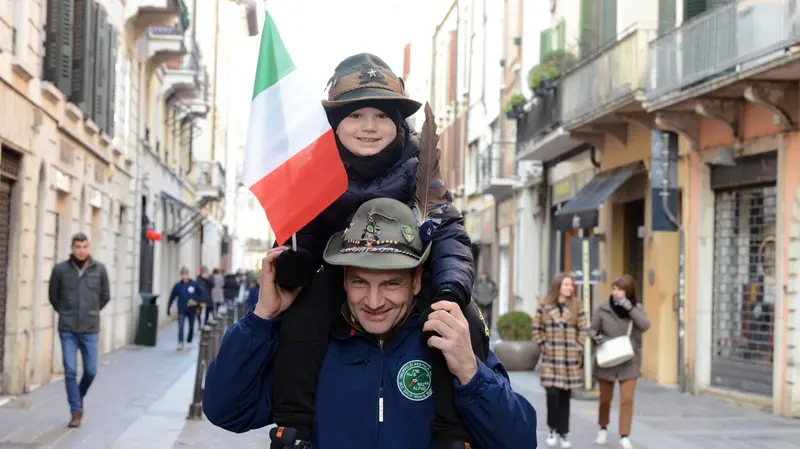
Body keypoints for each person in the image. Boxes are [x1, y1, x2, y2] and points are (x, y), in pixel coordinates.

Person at [267, 53, 487, 448]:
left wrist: (452, 288)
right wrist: (293, 265)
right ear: (335, 123)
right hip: (343, 272)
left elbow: (449, 230)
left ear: (399, 123)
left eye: (382, 116)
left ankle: (455, 432)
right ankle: (293, 424)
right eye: (354, 115)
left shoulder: (421, 166)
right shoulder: (312, 169)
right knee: (303, 315)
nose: (368, 127)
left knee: (463, 318)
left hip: (405, 273)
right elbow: (303, 232)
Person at [203, 198, 537, 448]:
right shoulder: (311, 345)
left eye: (391, 283)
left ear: (416, 281)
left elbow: (519, 440)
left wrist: (471, 373)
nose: (374, 302)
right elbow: (226, 410)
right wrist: (261, 319)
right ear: (344, 280)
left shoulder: (448, 344)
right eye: (361, 282)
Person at [48, 232, 111, 428]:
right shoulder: (60, 270)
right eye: (78, 247)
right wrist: (66, 313)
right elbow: (53, 297)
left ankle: (78, 395)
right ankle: (76, 411)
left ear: (89, 247)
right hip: (67, 329)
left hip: (90, 329)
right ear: (72, 248)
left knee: (91, 371)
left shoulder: (99, 270)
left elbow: (105, 296)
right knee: (70, 370)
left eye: (84, 247)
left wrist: (91, 312)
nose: (81, 251)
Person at [588, 275, 650, 449]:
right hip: (607, 357)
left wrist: (630, 309)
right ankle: (603, 428)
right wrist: (597, 337)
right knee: (605, 399)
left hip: (629, 359)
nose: (615, 292)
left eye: (619, 289)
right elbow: (592, 329)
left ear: (628, 292)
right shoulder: (603, 308)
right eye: (614, 288)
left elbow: (645, 325)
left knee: (627, 399)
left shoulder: (636, 308)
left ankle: (624, 435)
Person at [533, 273, 587, 449]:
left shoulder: (577, 306)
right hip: (551, 358)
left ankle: (563, 433)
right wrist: (544, 347)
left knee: (565, 397)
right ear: (558, 286)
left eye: (571, 285)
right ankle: (552, 428)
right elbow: (537, 329)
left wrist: (578, 347)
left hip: (570, 359)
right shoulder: (545, 305)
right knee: (552, 394)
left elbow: (583, 329)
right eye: (566, 285)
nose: (570, 288)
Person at [167, 267, 204, 350]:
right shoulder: (178, 286)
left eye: (186, 274)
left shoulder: (194, 284)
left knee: (191, 327)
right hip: (181, 309)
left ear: (188, 275)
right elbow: (172, 297)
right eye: (183, 274)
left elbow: (202, 292)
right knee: (181, 326)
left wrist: (196, 301)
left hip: (192, 309)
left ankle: (189, 340)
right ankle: (180, 342)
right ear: (181, 275)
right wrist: (168, 307)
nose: (184, 276)